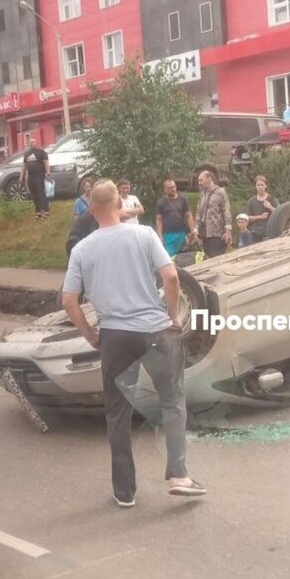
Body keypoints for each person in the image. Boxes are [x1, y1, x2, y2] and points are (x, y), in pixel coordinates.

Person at [61, 180, 206, 507]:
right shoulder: (143, 235)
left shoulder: (83, 249)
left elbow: (69, 300)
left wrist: (92, 335)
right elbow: (170, 277)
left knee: (118, 413)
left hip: (114, 336)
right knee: (172, 401)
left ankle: (124, 491)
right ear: (119, 203)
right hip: (156, 331)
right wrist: (173, 317)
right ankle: (178, 475)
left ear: (91, 208)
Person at [192, 170, 232, 257]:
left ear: (209, 178)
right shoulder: (202, 194)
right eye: (199, 181)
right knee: (207, 259)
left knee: (217, 259)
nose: (200, 183)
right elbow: (199, 212)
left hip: (217, 234)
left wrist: (228, 230)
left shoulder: (221, 192)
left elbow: (226, 211)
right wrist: (196, 228)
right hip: (205, 235)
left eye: (201, 180)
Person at [154, 178, 195, 257]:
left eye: (174, 187)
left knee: (183, 257)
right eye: (170, 188)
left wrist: (193, 231)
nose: (173, 189)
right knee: (169, 257)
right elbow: (159, 220)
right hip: (168, 236)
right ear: (165, 189)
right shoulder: (161, 202)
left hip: (182, 234)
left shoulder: (183, 199)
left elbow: (189, 215)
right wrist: (160, 236)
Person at [20, 136, 51, 220]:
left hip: (39, 176)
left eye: (33, 142)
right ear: (28, 144)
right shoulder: (27, 154)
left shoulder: (41, 152)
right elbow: (24, 166)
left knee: (41, 194)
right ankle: (38, 212)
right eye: (30, 142)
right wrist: (21, 176)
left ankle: (45, 211)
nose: (32, 144)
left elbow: (46, 163)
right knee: (34, 195)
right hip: (30, 177)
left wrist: (48, 173)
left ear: (36, 143)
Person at [243, 175, 279, 244]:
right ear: (255, 187)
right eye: (258, 185)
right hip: (255, 233)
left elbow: (280, 214)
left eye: (262, 185)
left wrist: (270, 207)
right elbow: (247, 218)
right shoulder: (252, 201)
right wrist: (260, 217)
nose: (260, 187)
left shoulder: (272, 199)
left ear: (266, 186)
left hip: (269, 233)